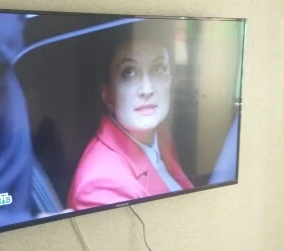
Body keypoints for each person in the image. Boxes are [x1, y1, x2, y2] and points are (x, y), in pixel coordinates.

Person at [67, 21, 194, 211]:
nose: (147, 90)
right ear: (108, 96)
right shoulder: (102, 185)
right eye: (129, 72)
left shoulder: (159, 134)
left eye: (158, 69)